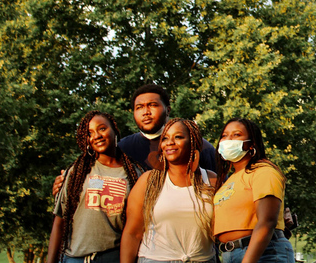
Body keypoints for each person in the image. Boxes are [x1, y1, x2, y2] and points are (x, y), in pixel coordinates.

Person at [53, 84, 217, 196]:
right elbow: (97, 182)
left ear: (167, 109)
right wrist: (67, 184)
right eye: (139, 107)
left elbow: (220, 192)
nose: (146, 112)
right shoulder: (122, 149)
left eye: (152, 105)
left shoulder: (199, 146)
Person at [46, 111, 141, 263]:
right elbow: (59, 221)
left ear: (114, 130)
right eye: (90, 133)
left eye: (102, 128)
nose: (96, 136)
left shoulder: (135, 173)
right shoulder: (76, 171)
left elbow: (138, 227)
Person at [119, 118, 218, 263]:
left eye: (178, 137)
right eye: (165, 138)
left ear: (193, 141)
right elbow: (133, 232)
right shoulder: (148, 181)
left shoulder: (211, 180)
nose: (169, 142)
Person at [213, 118, 295, 263]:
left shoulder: (264, 171)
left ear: (251, 143)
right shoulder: (229, 180)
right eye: (224, 135)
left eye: (236, 135)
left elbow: (267, 221)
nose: (228, 140)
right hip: (230, 258)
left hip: (263, 256)